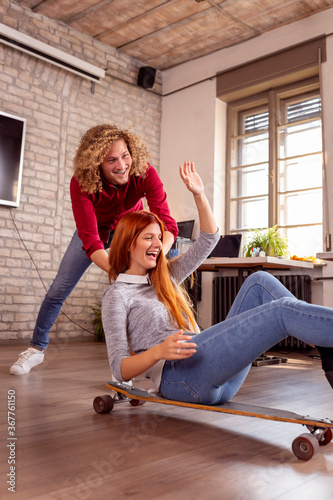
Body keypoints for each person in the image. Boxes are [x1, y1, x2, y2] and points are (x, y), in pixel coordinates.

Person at [102, 161, 333, 406]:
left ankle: (327, 349)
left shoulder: (165, 276)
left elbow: (208, 239)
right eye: (149, 238)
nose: (158, 245)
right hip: (182, 379)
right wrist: (157, 352)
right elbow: (119, 368)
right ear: (128, 244)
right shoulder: (117, 295)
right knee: (282, 311)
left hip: (215, 374)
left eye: (159, 237)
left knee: (259, 281)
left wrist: (199, 195)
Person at [10, 124, 178, 375]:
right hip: (95, 232)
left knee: (151, 289)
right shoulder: (81, 183)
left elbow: (168, 224)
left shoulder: (145, 173)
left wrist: (158, 256)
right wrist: (121, 273)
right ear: (96, 163)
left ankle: (138, 358)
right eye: (111, 160)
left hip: (130, 232)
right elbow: (89, 239)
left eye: (125, 155)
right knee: (59, 288)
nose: (121, 165)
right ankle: (36, 349)